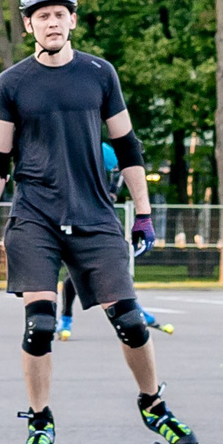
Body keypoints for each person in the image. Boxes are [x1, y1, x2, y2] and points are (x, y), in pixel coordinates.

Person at [0, 0, 209, 444]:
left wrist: (143, 214)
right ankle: (40, 421)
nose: (52, 22)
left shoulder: (99, 74)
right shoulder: (11, 83)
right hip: (35, 217)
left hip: (95, 214)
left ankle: (153, 405)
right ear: (28, 26)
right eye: (42, 16)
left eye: (60, 14)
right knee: (40, 325)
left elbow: (127, 147)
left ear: (73, 20)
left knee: (129, 320)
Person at [56, 140, 124, 338]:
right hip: (66, 213)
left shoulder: (98, 147)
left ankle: (127, 306)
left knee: (107, 264)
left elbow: (119, 167)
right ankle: (61, 316)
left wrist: (112, 191)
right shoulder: (61, 145)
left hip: (95, 215)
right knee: (70, 269)